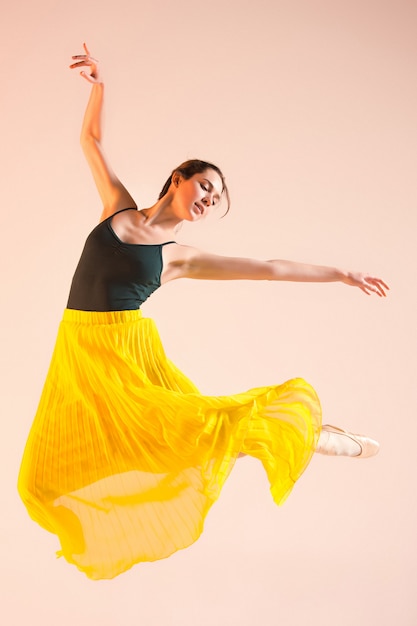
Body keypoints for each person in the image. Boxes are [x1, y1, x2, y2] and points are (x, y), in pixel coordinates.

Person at [18, 44, 389, 581]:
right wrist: (100, 85)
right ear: (179, 178)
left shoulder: (178, 258)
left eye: (216, 198)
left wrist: (341, 273)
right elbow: (90, 141)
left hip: (123, 352)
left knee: (189, 435)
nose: (210, 199)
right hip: (77, 351)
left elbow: (269, 268)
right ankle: (293, 433)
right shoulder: (116, 207)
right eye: (206, 186)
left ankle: (303, 432)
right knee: (41, 478)